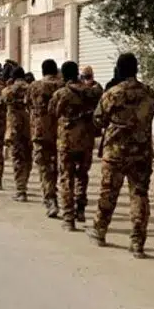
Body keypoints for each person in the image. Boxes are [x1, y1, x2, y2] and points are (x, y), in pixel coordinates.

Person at [91, 53, 154, 258]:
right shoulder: (148, 92)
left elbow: (98, 120)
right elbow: (152, 113)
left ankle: (99, 231)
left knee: (108, 192)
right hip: (141, 152)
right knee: (139, 195)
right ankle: (137, 242)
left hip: (116, 153)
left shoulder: (113, 93)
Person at [50, 61, 99, 229]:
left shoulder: (61, 94)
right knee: (82, 175)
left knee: (66, 177)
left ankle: (68, 218)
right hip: (86, 141)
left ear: (63, 75)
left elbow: (52, 113)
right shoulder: (91, 92)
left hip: (66, 141)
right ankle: (81, 209)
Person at [29, 59, 63, 218]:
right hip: (60, 132)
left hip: (40, 132)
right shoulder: (63, 86)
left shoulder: (34, 86)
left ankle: (51, 200)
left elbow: (28, 105)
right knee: (60, 166)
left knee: (44, 167)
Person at [0, 66, 32, 201]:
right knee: (28, 158)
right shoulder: (31, 88)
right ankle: (25, 182)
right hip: (30, 127)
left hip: (15, 128)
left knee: (18, 158)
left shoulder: (8, 90)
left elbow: (1, 101)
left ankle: (21, 190)